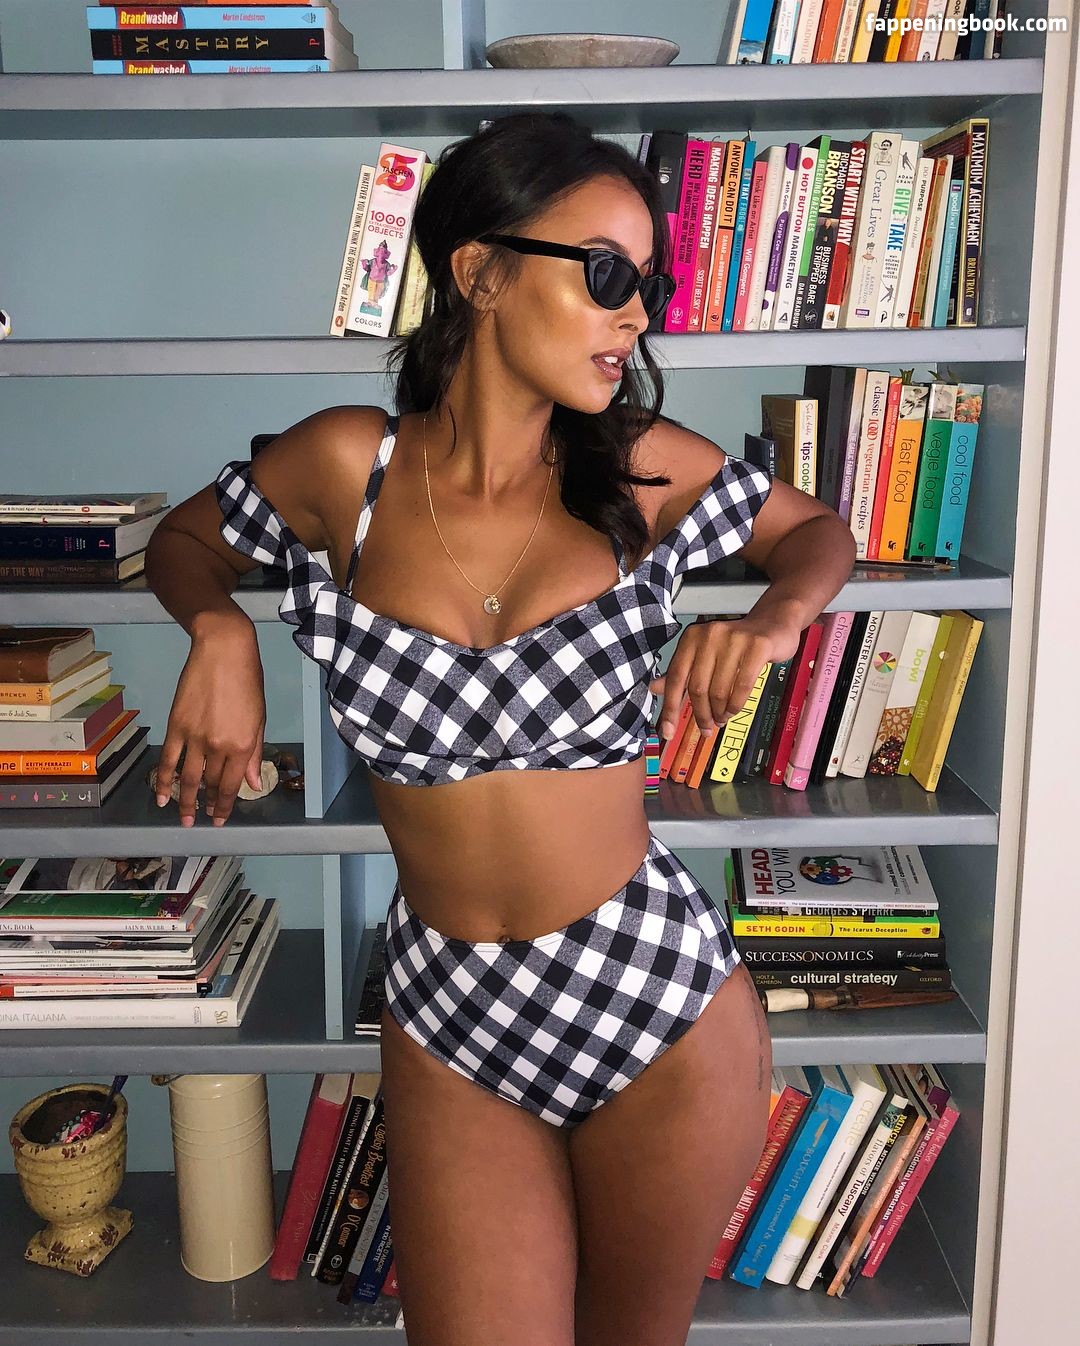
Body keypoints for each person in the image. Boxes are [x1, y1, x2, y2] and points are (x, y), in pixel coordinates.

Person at [146, 111, 856, 1346]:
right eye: (608, 274)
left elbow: (816, 531)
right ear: (479, 271)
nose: (638, 317)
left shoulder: (636, 470)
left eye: (649, 286)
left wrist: (776, 616)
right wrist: (217, 630)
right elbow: (184, 539)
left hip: (654, 1002)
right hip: (449, 1009)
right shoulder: (348, 468)